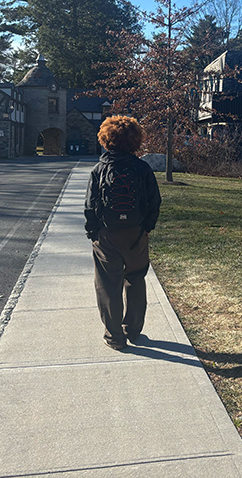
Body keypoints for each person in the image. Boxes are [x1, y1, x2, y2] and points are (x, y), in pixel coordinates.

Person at [84, 116, 162, 350]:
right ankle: (133, 330)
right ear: (135, 140)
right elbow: (154, 201)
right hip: (136, 234)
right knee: (136, 279)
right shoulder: (142, 168)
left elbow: (90, 205)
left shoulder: (99, 169)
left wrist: (93, 232)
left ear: (106, 139)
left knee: (108, 284)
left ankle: (115, 336)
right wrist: (147, 228)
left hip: (106, 235)